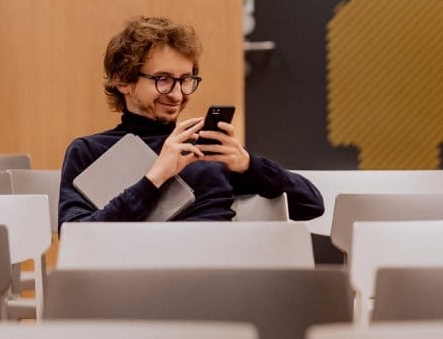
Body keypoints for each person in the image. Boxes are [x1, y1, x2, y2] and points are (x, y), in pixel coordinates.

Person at [58, 15, 323, 226]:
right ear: (122, 80)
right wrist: (155, 179)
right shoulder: (89, 152)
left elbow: (311, 204)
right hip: (139, 282)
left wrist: (248, 164)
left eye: (185, 80)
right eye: (163, 80)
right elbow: (77, 238)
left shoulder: (203, 150)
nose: (177, 94)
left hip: (218, 279)